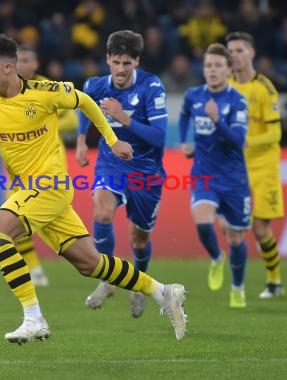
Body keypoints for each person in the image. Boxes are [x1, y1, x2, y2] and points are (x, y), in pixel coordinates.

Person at [0, 34, 188, 343]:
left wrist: (113, 140)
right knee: (91, 264)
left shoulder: (44, 93)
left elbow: (86, 102)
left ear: (7, 68)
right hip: (31, 190)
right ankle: (163, 293)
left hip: (49, 185)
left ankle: (33, 318)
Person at [75, 30, 168, 318]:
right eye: (116, 62)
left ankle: (138, 285)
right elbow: (83, 105)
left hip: (146, 170)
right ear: (107, 59)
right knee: (101, 213)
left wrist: (123, 117)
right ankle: (108, 278)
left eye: (127, 63)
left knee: (139, 239)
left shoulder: (152, 87)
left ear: (136, 62)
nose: (120, 69)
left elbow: (159, 137)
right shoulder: (96, 85)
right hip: (111, 163)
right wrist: (81, 140)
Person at [178, 43, 251, 308]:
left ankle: (237, 287)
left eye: (218, 66)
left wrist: (218, 120)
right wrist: (185, 141)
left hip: (233, 178)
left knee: (236, 237)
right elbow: (185, 114)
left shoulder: (237, 101)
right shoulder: (193, 95)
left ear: (229, 70)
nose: (212, 70)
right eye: (208, 65)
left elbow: (238, 141)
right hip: (204, 173)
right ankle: (216, 258)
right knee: (203, 223)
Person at [10, 45, 79, 287]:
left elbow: (71, 118)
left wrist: (43, 125)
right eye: (17, 60)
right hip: (18, 169)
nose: (20, 65)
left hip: (49, 167)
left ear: (35, 64)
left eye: (25, 60)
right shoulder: (6, 92)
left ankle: (92, 263)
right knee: (13, 223)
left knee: (38, 222)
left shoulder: (48, 87)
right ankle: (36, 271)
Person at [226, 32, 285, 299]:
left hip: (263, 165)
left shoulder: (264, 88)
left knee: (260, 228)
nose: (234, 55)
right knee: (231, 228)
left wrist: (248, 141)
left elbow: (275, 134)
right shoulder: (224, 87)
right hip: (235, 167)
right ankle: (237, 282)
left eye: (239, 50)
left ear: (251, 53)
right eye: (231, 51)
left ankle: (274, 280)